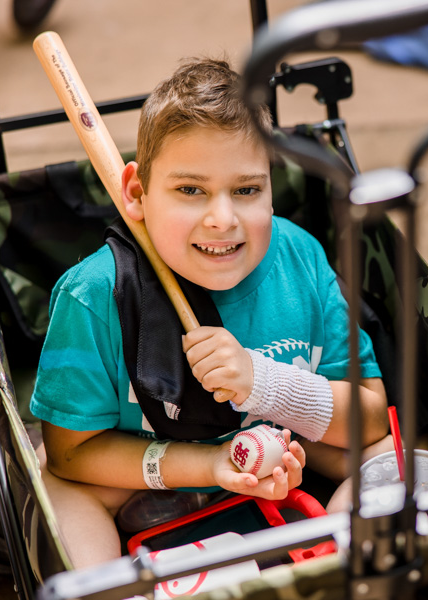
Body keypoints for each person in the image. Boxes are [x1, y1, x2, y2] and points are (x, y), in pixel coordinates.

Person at [30, 57, 390, 569]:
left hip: (288, 461)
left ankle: (338, 565)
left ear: (269, 189)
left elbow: (372, 419)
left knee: (393, 456)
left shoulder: (300, 256)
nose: (222, 219)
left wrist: (264, 383)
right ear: (136, 193)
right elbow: (70, 454)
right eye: (190, 190)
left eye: (246, 190)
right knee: (58, 491)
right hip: (143, 477)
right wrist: (208, 464)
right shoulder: (94, 295)